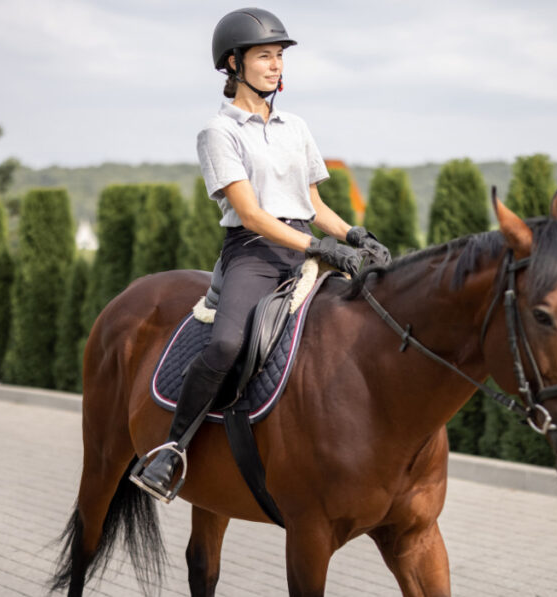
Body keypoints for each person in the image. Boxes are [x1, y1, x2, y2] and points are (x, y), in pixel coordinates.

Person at [131, 7, 391, 502]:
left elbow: (313, 204)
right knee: (227, 344)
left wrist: (356, 236)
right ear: (233, 63)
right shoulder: (219, 132)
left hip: (302, 244)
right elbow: (250, 214)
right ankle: (170, 450)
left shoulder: (296, 126)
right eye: (264, 56)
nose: (276, 66)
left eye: (279, 57)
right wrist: (320, 247)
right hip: (253, 253)